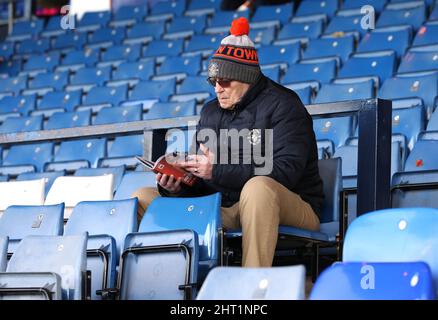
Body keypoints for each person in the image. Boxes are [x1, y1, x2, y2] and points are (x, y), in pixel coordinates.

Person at [132, 17, 324, 268]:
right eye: (214, 82)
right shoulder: (211, 112)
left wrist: (217, 170)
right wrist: (177, 185)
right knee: (141, 197)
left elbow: (286, 173)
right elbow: (200, 179)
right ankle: (154, 285)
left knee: (258, 188)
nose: (217, 89)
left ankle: (251, 292)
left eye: (225, 82)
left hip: (291, 205)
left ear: (247, 78)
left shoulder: (285, 106)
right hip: (223, 207)